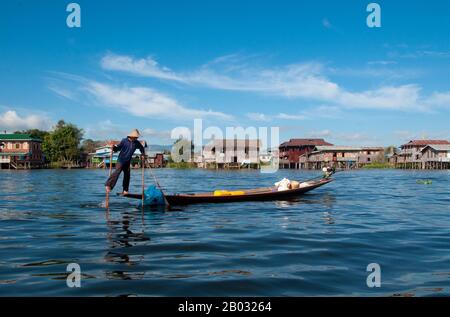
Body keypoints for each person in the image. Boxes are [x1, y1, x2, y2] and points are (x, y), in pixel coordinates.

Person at [105, 129, 146, 195]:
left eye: (137, 137)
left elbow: (142, 148)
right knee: (117, 172)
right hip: (121, 160)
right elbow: (118, 148)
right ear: (131, 136)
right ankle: (108, 185)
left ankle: (125, 190)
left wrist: (143, 154)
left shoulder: (136, 142)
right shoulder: (124, 141)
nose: (136, 138)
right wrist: (113, 148)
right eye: (135, 137)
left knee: (127, 175)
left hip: (127, 161)